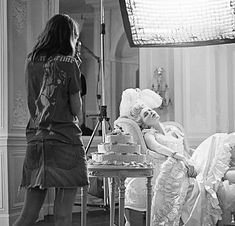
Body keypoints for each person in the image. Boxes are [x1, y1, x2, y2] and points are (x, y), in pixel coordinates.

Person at [13, 14, 89, 226]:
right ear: (69, 37)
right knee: (63, 216)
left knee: (28, 215)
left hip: (37, 140)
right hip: (65, 141)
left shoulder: (31, 61)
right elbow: (76, 109)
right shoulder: (69, 62)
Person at [120, 89, 235, 226]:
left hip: (190, 160)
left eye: (149, 110)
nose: (150, 112)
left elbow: (187, 150)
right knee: (218, 140)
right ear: (144, 123)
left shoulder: (171, 130)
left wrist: (186, 158)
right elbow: (158, 148)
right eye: (146, 114)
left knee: (221, 143)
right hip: (179, 167)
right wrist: (180, 158)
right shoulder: (148, 134)